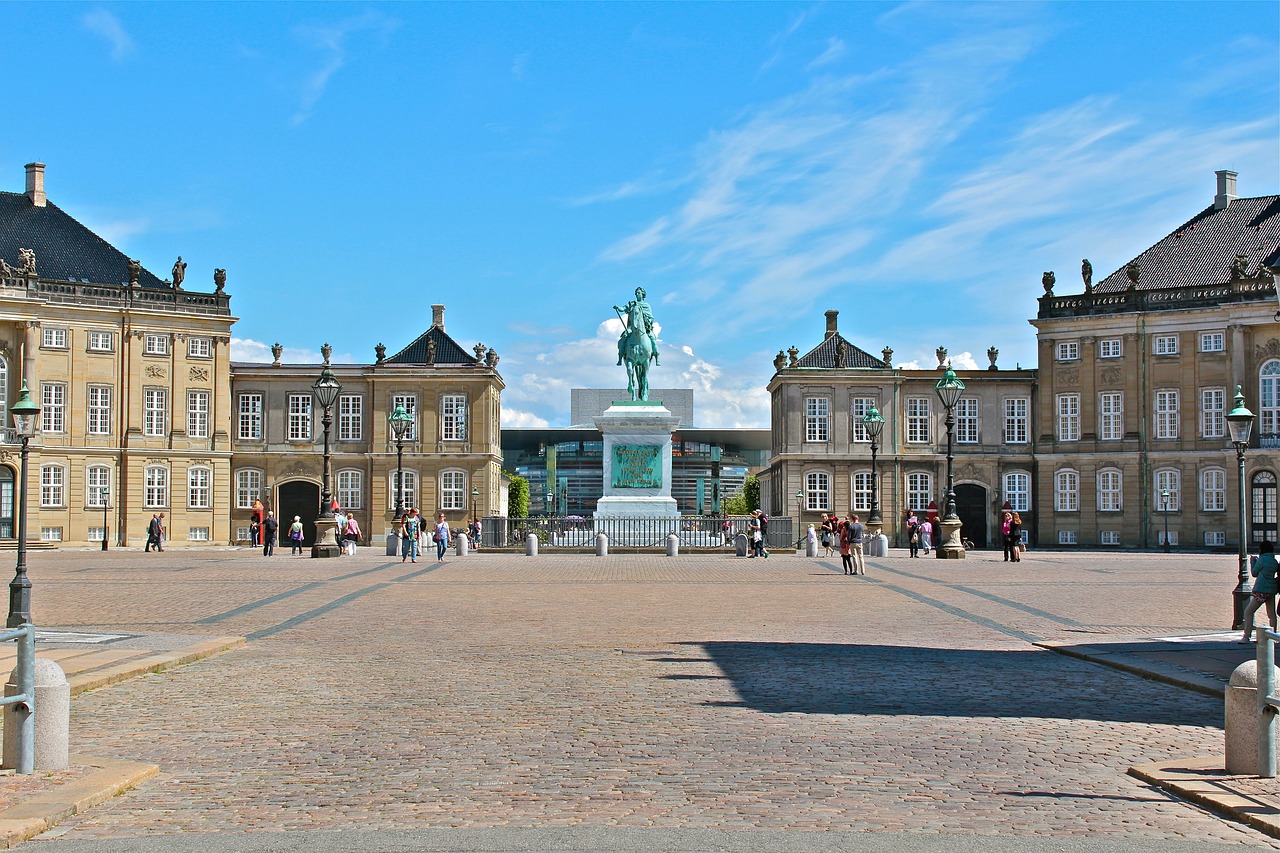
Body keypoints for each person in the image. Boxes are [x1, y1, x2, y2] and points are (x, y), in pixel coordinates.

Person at [1243, 541, 1280, 643]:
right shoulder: (1274, 561)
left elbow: (1254, 573)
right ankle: (1273, 637)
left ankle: (1246, 636)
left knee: (1248, 612)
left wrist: (1253, 561)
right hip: (1272, 589)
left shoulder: (1262, 560)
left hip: (1261, 590)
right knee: (1271, 614)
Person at [613, 286, 660, 366]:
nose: (637, 294)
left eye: (638, 293)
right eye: (636, 293)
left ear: (642, 294)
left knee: (653, 339)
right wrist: (618, 308)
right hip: (632, 328)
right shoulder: (632, 304)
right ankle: (620, 358)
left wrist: (648, 322)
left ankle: (657, 357)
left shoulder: (646, 305)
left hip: (645, 328)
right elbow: (623, 308)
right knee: (623, 339)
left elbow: (651, 317)